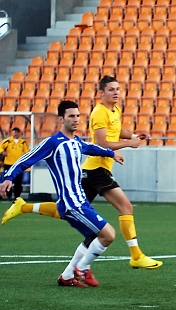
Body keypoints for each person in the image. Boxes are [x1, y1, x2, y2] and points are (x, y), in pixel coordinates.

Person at [1, 75, 162, 270]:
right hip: (96, 170)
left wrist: (127, 141)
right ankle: (133, 255)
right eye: (111, 89)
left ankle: (25, 210)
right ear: (101, 93)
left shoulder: (87, 132)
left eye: (118, 89)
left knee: (69, 212)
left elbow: (104, 138)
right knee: (121, 212)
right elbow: (100, 142)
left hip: (93, 170)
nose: (117, 92)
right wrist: (8, 176)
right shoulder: (96, 115)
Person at [0, 100, 122, 287]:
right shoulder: (53, 142)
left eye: (78, 116)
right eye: (71, 116)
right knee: (108, 235)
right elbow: (26, 158)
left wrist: (111, 154)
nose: (76, 120)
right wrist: (8, 176)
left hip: (80, 201)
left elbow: (92, 148)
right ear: (60, 119)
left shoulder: (76, 142)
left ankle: (66, 277)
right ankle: (81, 268)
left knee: (92, 238)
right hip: (71, 203)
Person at [0, 127, 31, 199]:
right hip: (8, 163)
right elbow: (0, 147)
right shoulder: (7, 141)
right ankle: (8, 195)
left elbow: (27, 151)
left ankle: (17, 196)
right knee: (8, 180)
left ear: (20, 133)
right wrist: (2, 152)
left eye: (17, 132)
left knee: (18, 181)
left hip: (18, 164)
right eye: (14, 132)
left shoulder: (23, 142)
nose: (15, 134)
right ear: (12, 133)